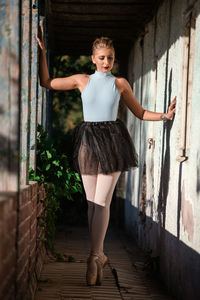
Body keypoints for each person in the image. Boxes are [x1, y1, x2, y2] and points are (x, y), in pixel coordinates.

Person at [37, 23, 176, 286]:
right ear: (93, 59)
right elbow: (47, 82)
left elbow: (141, 112)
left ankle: (93, 256)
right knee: (91, 205)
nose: (106, 62)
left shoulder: (120, 83)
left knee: (102, 202)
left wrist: (165, 115)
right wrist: (42, 54)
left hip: (113, 142)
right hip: (88, 142)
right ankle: (99, 256)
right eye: (101, 57)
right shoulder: (82, 80)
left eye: (110, 57)